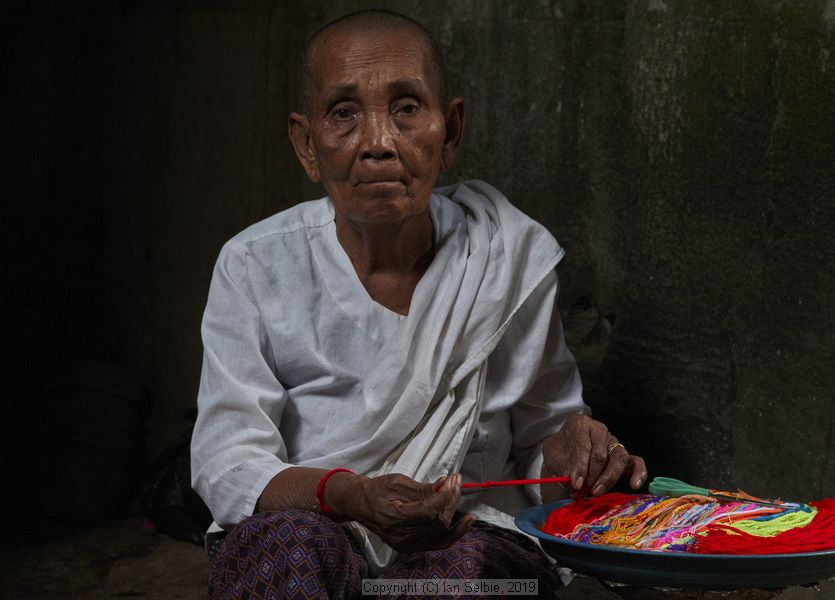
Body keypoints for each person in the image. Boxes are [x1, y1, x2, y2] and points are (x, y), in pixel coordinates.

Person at [191, 9, 647, 599]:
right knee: (281, 554)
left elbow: (542, 447)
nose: (378, 144)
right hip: (315, 524)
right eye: (344, 113)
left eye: (406, 108)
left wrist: (576, 456)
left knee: (469, 577)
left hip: (471, 530)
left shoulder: (505, 257)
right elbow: (228, 460)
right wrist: (348, 494)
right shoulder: (255, 264)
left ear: (449, 132)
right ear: (306, 145)